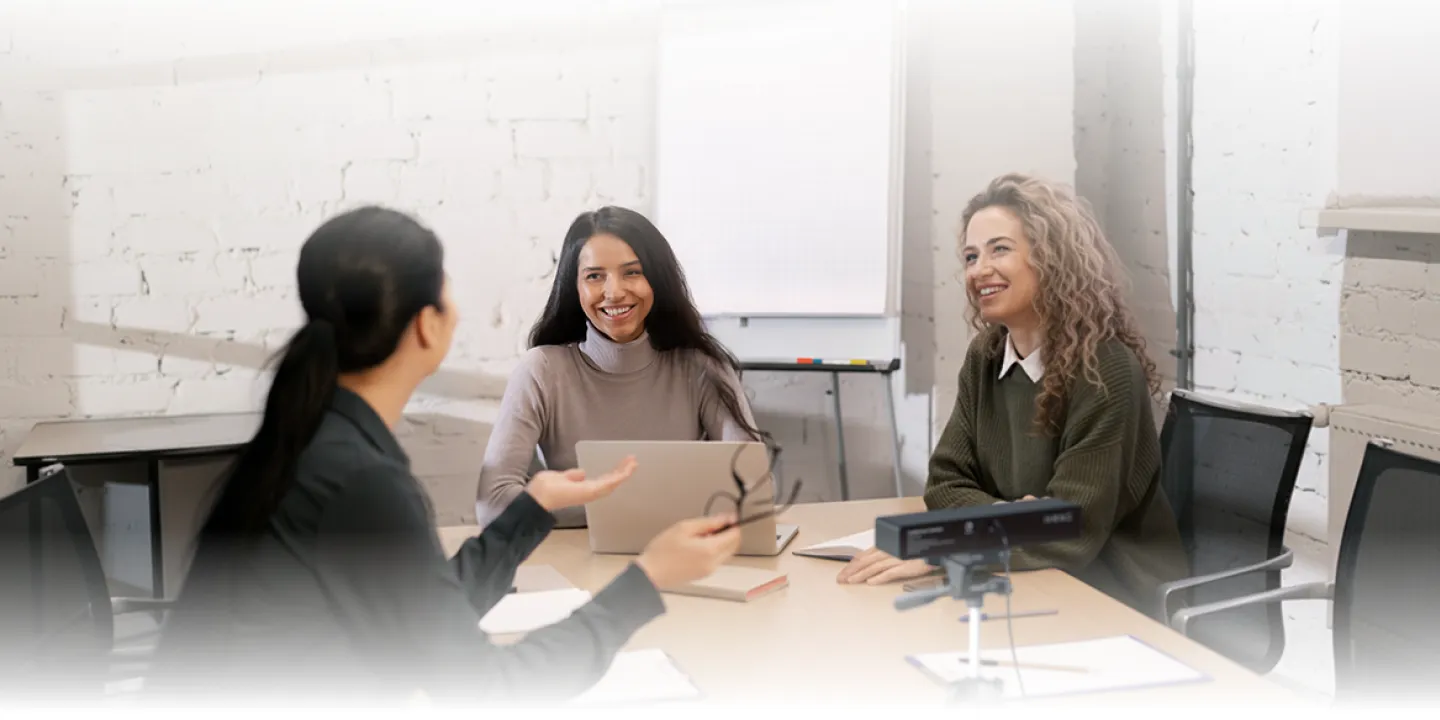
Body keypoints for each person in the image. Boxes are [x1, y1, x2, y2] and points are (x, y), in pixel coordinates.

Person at [143, 206, 742, 707]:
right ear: (427, 325)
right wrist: (647, 581)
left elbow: (431, 608)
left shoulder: (322, 439)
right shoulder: (360, 479)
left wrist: (532, 507)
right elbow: (485, 691)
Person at [837, 173, 1188, 619]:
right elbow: (944, 483)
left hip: (1110, 595)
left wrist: (950, 545)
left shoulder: (1105, 370)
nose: (978, 270)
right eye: (970, 255)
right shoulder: (985, 357)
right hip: (1016, 576)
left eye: (999, 249)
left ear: (1050, 257)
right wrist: (1011, 517)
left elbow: (1069, 532)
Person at [477, 206, 767, 528]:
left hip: (681, 560)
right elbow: (494, 504)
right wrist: (657, 509)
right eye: (594, 276)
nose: (614, 292)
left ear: (657, 280)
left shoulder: (702, 368)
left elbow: (752, 491)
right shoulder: (542, 370)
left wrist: (581, 507)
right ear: (575, 288)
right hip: (576, 567)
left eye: (632, 272)